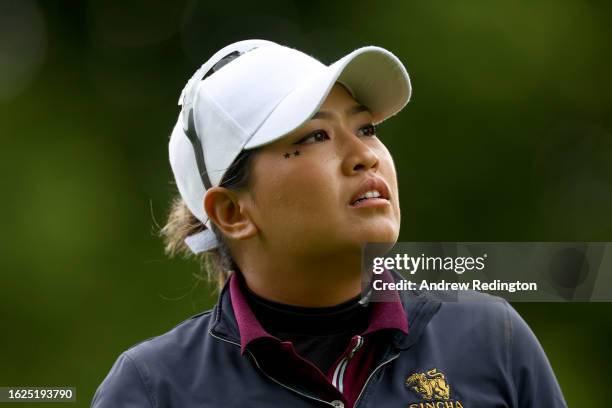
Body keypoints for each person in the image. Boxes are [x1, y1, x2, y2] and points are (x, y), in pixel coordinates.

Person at [91, 39, 567, 407]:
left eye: (365, 128)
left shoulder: (491, 338)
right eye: (316, 135)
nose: (364, 156)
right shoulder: (153, 389)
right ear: (233, 213)